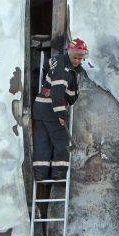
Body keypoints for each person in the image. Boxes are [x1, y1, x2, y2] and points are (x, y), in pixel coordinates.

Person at [32, 38, 89, 181]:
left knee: (42, 141)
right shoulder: (64, 71)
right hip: (51, 109)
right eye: (75, 57)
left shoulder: (58, 61)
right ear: (69, 53)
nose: (77, 61)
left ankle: (40, 173)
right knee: (62, 142)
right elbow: (57, 93)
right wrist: (61, 114)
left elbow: (49, 67)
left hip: (39, 107)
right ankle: (59, 174)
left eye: (80, 58)